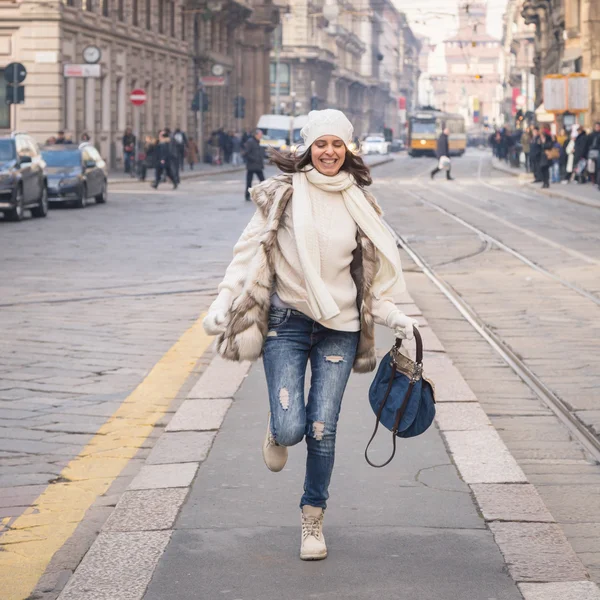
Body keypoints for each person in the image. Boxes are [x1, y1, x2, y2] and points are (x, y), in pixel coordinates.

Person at [202, 109, 418, 561]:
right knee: (292, 426)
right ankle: (278, 429)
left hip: (340, 328)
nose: (329, 152)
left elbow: (370, 275)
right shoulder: (281, 195)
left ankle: (313, 517)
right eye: (321, 144)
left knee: (323, 428)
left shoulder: (360, 202)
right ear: (307, 149)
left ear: (348, 150)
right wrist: (223, 300)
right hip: (287, 324)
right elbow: (246, 253)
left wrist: (394, 315)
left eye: (337, 144)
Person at [244, 129, 265, 201]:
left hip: (258, 166)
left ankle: (264, 194)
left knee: (263, 181)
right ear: (256, 135)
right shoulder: (250, 142)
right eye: (260, 134)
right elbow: (246, 153)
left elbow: (260, 153)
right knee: (249, 182)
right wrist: (254, 159)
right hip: (252, 165)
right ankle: (247, 196)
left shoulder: (258, 142)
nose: (261, 136)